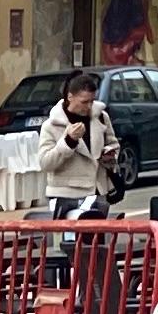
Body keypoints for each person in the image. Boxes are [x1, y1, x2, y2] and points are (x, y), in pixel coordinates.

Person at [34, 74, 117, 215]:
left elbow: (113, 144)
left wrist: (110, 154)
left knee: (97, 236)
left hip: (98, 191)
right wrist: (69, 141)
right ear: (70, 97)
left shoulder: (101, 117)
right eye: (84, 102)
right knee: (70, 237)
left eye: (92, 101)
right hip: (66, 194)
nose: (89, 106)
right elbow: (45, 163)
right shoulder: (52, 125)